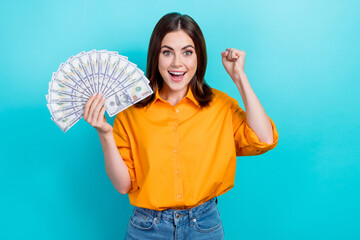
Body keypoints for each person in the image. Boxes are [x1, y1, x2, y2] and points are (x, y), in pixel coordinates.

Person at [83, 12, 278, 240]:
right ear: (156, 56)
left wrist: (239, 77)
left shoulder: (220, 106)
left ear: (199, 57)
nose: (177, 63)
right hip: (147, 229)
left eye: (187, 52)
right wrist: (105, 133)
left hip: (204, 226)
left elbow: (264, 139)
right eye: (167, 52)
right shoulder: (130, 113)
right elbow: (123, 185)